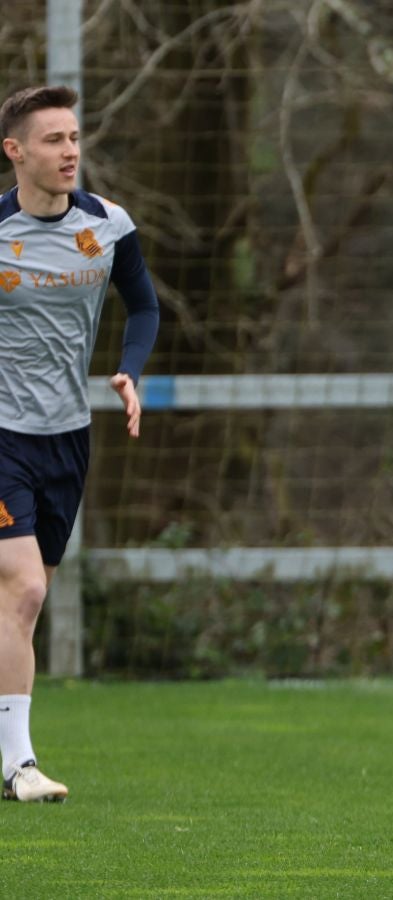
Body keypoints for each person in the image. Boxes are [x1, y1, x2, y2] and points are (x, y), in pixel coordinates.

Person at [0, 85, 160, 800]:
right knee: (24, 588)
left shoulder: (109, 224)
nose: (70, 153)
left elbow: (144, 305)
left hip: (67, 437)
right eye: (53, 141)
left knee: (21, 606)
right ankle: (18, 766)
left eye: (74, 139)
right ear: (15, 152)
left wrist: (128, 370)